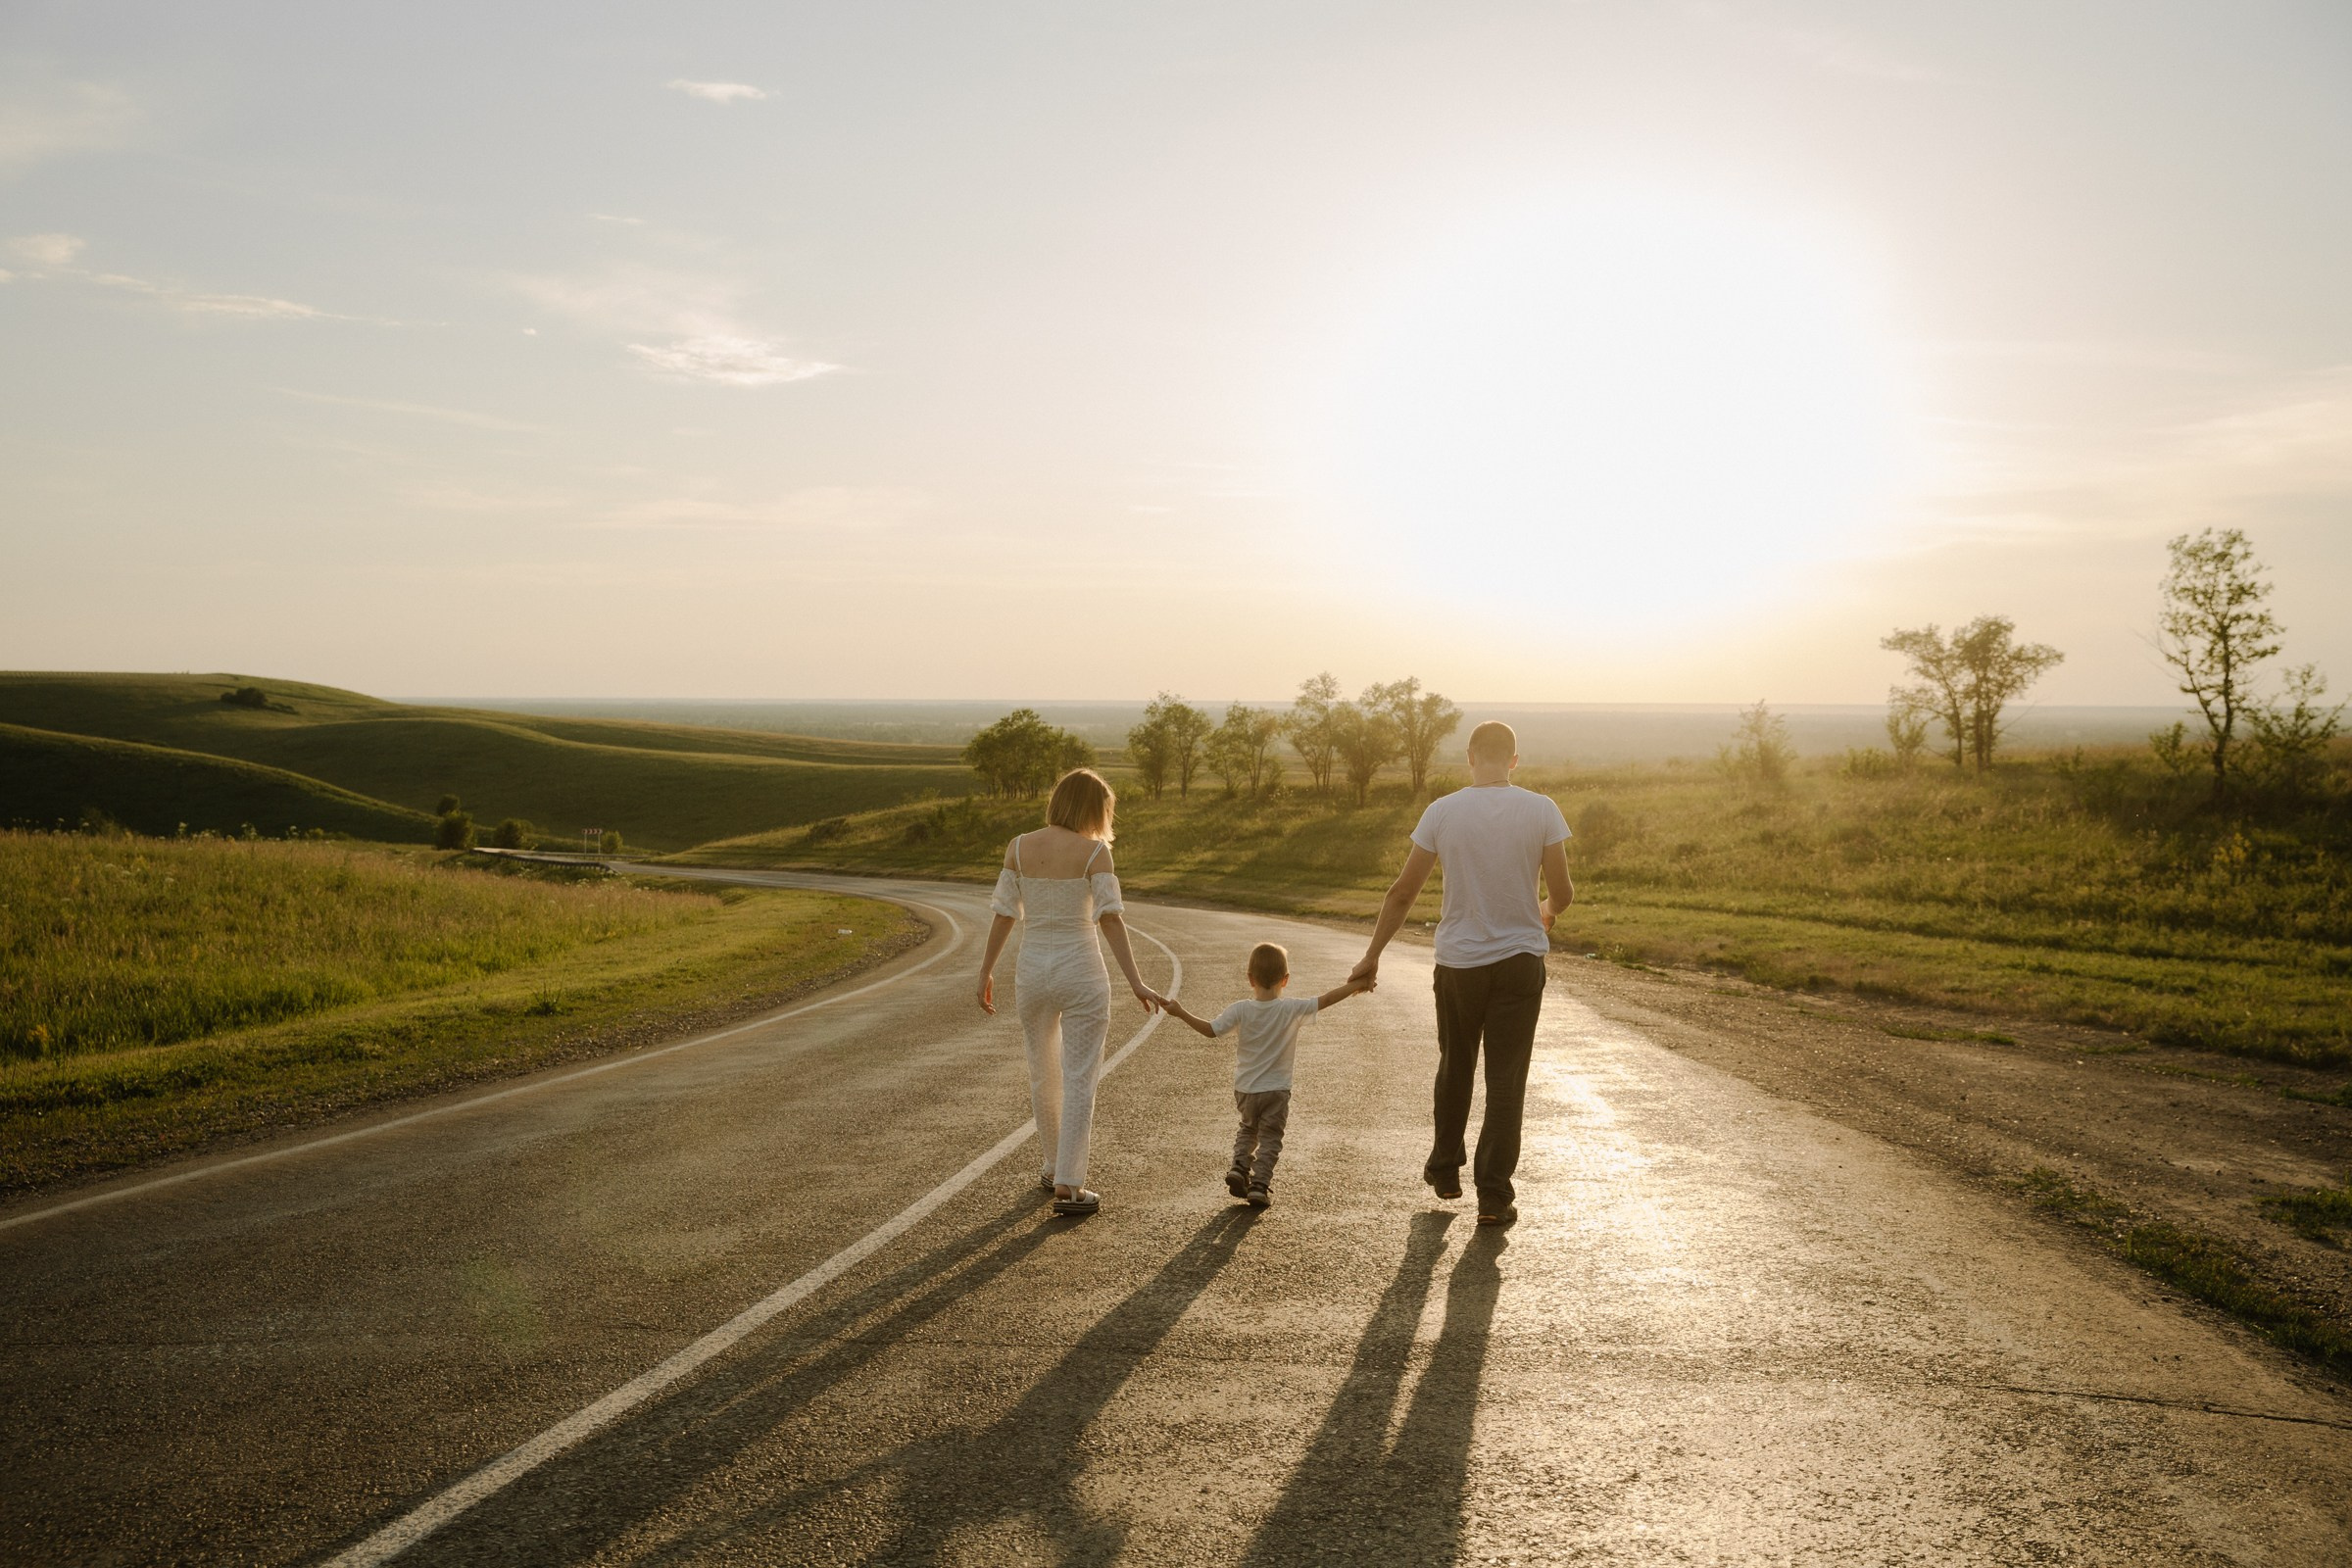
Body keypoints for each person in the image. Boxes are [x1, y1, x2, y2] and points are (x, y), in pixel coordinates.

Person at [1348, 721, 1573, 1226]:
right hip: (1519, 963)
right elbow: (1562, 890)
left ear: (1470, 756)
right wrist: (1547, 912)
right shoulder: (1541, 809)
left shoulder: (1443, 811)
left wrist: (1372, 955)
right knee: (1506, 1079)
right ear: (1514, 759)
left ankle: (1445, 1167)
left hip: (1459, 964)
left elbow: (1402, 892)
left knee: (1456, 1065)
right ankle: (1494, 1197)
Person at [975, 767, 1164, 1216]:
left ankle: (1051, 1163)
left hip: (1032, 972)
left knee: (1044, 1071)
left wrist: (984, 971)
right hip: (1081, 972)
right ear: (1094, 809)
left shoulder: (1018, 847)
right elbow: (1110, 918)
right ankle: (1070, 1183)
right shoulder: (1094, 853)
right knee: (1080, 1076)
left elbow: (1004, 915)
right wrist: (1136, 981)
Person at [1161, 942, 1370, 1207]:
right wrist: (1357, 984)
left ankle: (1239, 1166)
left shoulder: (1240, 1010)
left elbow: (1210, 1030)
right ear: (1286, 980)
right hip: (1276, 1090)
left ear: (1250, 979)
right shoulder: (1291, 1009)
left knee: (1248, 1129)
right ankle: (1259, 1185)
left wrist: (1180, 1012)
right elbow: (1327, 999)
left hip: (1246, 1088)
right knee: (1271, 1137)